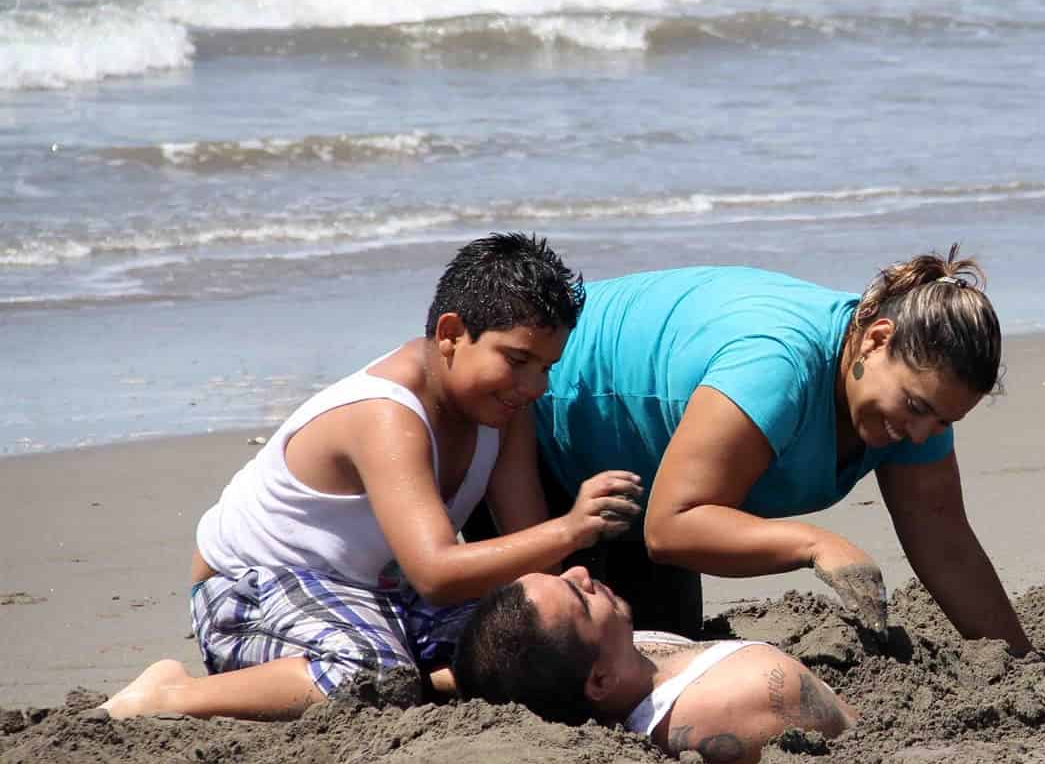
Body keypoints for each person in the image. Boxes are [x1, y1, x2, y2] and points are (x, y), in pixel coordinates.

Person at [101, 233, 645, 720]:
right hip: (256, 589)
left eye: (546, 367)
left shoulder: (503, 411)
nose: (534, 385)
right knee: (372, 677)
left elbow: (536, 563)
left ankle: (420, 680)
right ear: (452, 333)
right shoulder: (386, 414)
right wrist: (574, 526)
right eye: (518, 359)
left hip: (383, 596)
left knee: (540, 647)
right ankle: (171, 695)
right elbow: (435, 573)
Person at [468, 248, 1032, 654]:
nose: (920, 434)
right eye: (915, 407)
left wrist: (1019, 663)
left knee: (664, 640)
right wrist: (815, 544)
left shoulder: (913, 408)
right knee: (558, 659)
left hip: (636, 483)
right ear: (877, 339)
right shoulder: (776, 366)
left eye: (944, 420)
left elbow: (946, 542)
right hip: (526, 425)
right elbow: (673, 527)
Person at [452, 565, 853, 764]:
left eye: (564, 576)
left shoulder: (617, 658)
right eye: (579, 597)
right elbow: (847, 733)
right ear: (600, 680)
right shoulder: (744, 695)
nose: (581, 572)